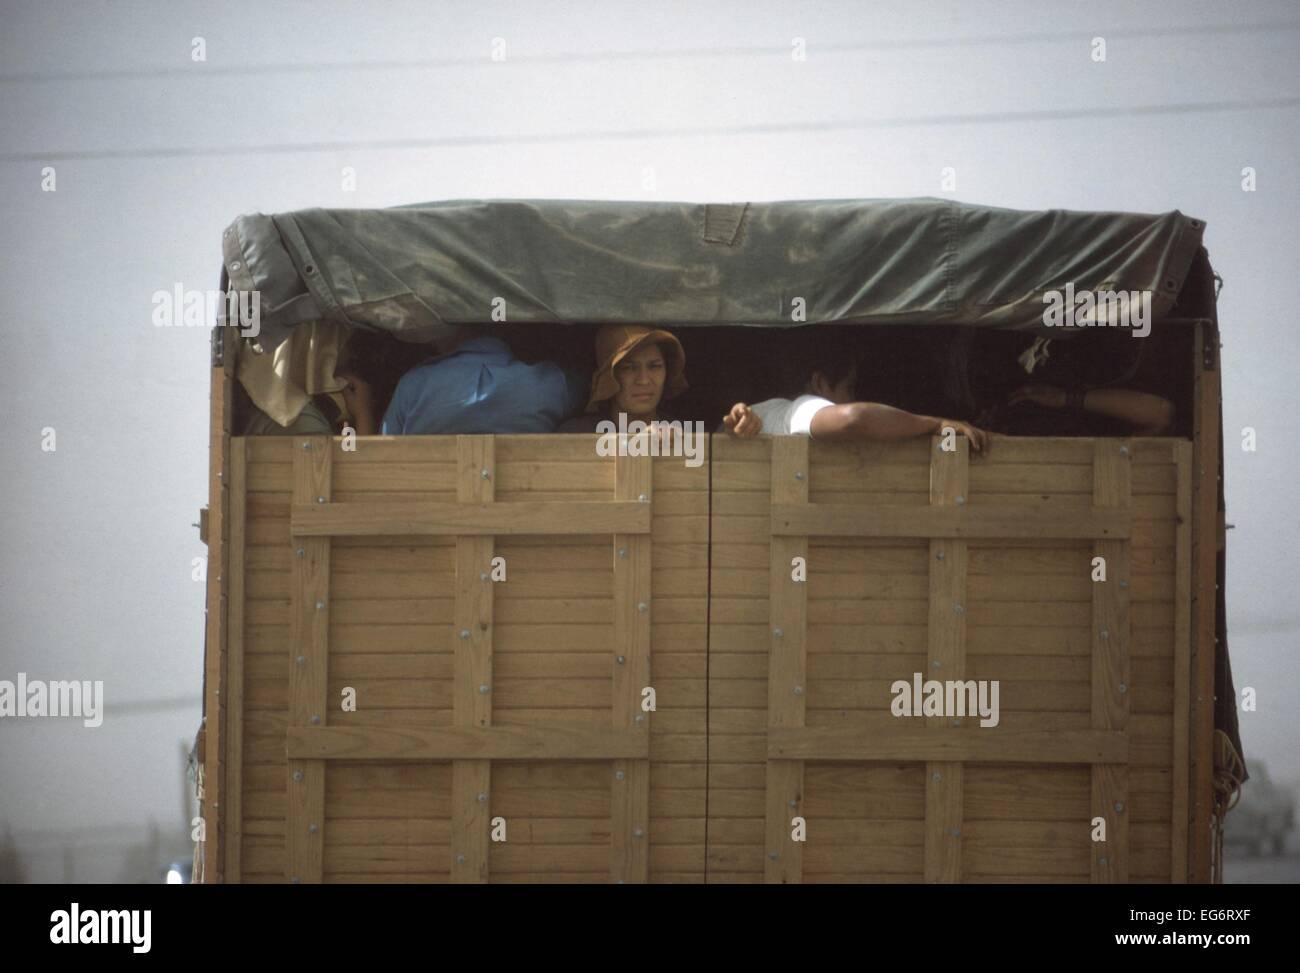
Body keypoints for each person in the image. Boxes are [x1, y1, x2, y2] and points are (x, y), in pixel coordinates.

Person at [723, 347, 988, 451]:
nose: (852, 398)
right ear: (819, 383)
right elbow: (854, 419)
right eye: (849, 388)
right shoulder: (799, 409)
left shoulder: (761, 413)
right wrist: (935, 424)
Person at [342, 326, 586, 435]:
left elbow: (380, 464)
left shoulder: (413, 384)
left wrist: (363, 413)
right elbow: (594, 393)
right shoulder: (551, 382)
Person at [558, 325, 689, 432]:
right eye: (629, 368)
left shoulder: (688, 435)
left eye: (654, 366)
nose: (643, 380)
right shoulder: (578, 434)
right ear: (608, 378)